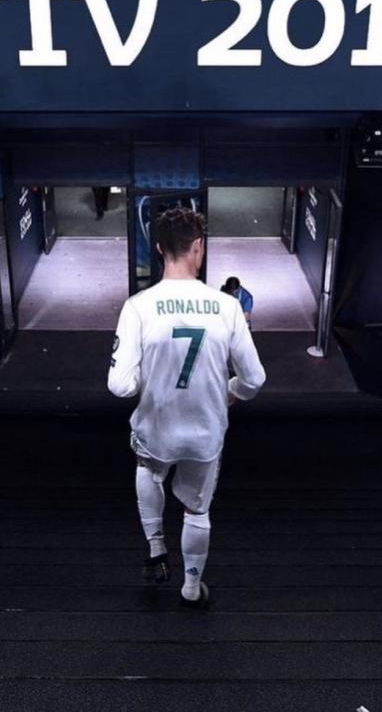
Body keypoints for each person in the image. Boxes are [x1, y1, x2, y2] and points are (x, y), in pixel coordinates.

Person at [107, 208, 266, 608]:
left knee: (148, 469)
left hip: (157, 426)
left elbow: (120, 385)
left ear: (160, 249)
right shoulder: (227, 307)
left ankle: (156, 546)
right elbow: (254, 379)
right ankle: (192, 589)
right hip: (205, 432)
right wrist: (232, 390)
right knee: (197, 510)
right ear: (198, 247)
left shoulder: (138, 306)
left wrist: (150, 381)